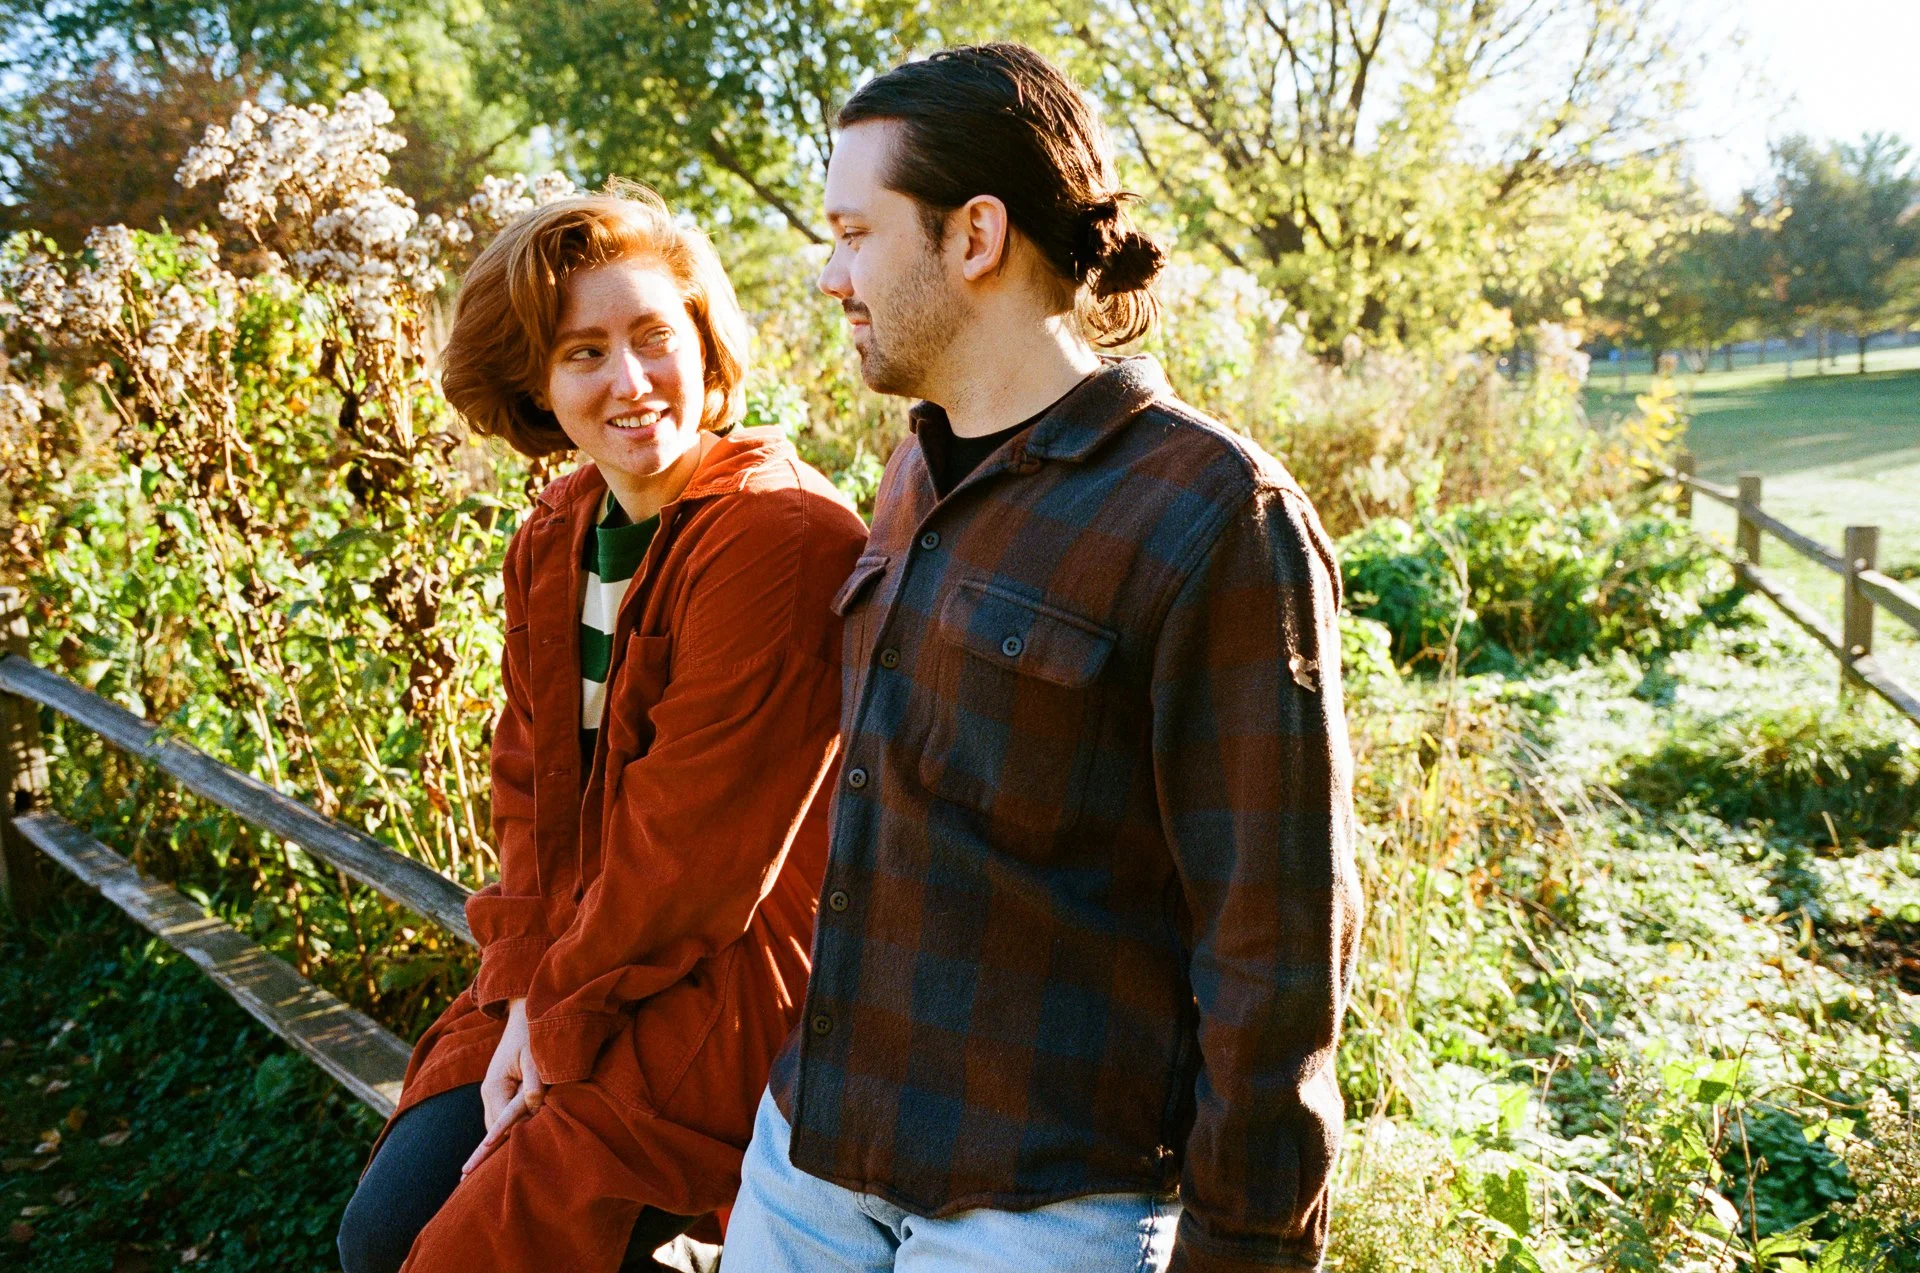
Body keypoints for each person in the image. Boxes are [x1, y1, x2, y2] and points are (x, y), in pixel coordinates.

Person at [722, 43, 1362, 1273]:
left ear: (975, 236)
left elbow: (1274, 954)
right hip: (809, 1158)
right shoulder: (916, 469)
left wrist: (1246, 1253)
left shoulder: (1218, 515)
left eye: (855, 234)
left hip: (1041, 1210)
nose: (829, 275)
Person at [334, 184, 868, 1273]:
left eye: (653, 337)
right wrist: (524, 992)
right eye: (584, 352)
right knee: (381, 1228)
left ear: (704, 343)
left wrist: (553, 1024)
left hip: (726, 980)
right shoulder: (558, 530)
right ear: (538, 382)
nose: (629, 383)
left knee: (480, 1249)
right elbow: (526, 788)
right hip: (577, 961)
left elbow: (692, 856)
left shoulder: (779, 533)